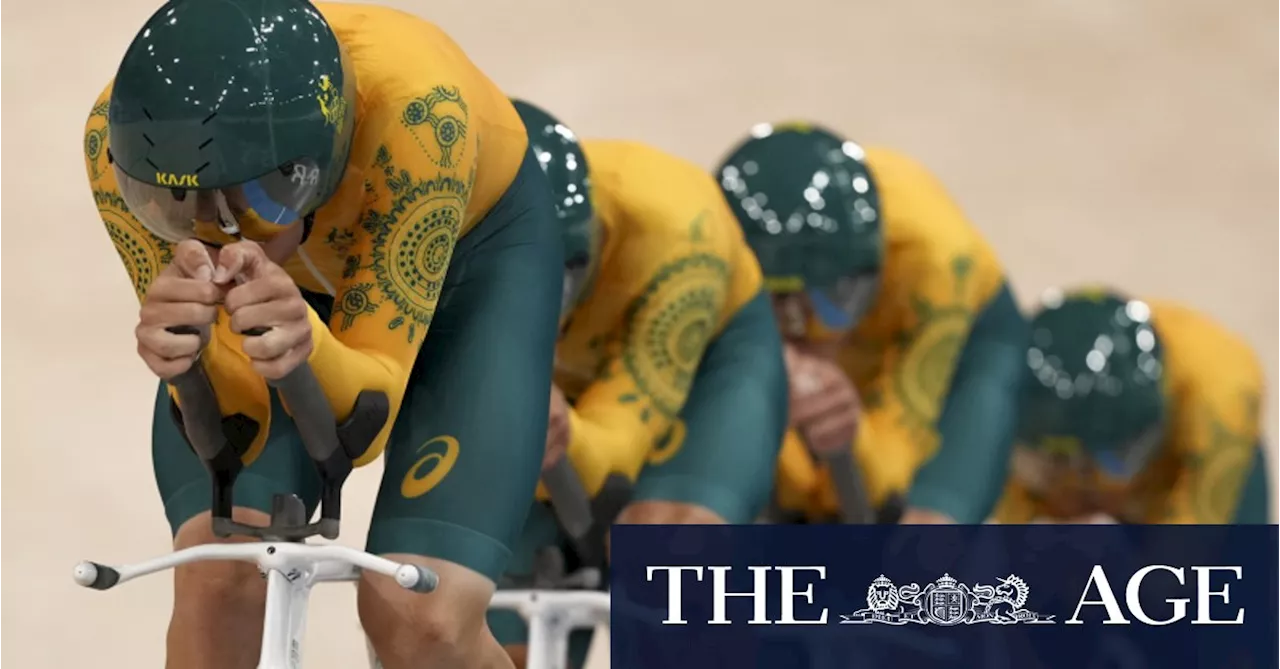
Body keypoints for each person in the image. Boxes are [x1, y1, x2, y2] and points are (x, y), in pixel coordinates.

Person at [83, 1, 563, 667]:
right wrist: (185, 357)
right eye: (177, 208)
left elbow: (362, 422)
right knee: (218, 577)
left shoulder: (423, 118)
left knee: (422, 621)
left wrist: (304, 334)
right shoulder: (115, 150)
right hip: (310, 256)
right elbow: (231, 414)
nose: (220, 230)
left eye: (255, 198)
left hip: (475, 262)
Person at [487, 100, 789, 668]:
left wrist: (560, 430)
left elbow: (616, 455)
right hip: (558, 384)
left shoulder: (677, 225)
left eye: (559, 276)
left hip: (707, 373)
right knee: (472, 637)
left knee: (670, 556)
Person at [714, 122, 1029, 526]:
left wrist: (854, 439)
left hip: (965, 339)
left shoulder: (938, 260)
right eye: (775, 309)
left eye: (831, 304)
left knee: (927, 535)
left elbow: (889, 475)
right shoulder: (704, 253)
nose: (805, 336)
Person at [993, 287, 1272, 524]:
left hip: (1182, 466)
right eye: (1054, 464)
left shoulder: (1223, 397)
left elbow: (1193, 547)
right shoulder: (1009, 388)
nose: (1096, 482)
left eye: (1121, 456)